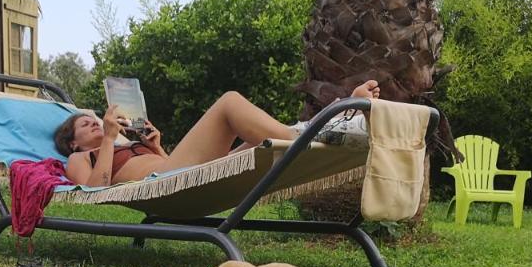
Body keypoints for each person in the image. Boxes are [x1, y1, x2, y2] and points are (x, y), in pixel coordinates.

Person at [53, 81, 382, 187]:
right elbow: (95, 190)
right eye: (86, 125)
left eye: (96, 119)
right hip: (173, 180)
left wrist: (156, 147)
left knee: (259, 142)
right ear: (72, 142)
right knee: (229, 104)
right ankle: (323, 126)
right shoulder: (82, 158)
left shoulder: (128, 143)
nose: (95, 123)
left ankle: (324, 126)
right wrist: (109, 139)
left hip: (177, 175)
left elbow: (169, 171)